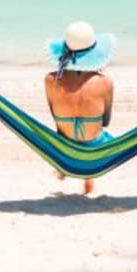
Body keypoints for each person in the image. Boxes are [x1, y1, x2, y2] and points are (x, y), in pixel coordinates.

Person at [44, 20, 115, 196]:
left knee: (64, 123)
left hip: (63, 146)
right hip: (94, 149)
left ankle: (63, 167)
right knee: (100, 134)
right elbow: (106, 121)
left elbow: (54, 115)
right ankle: (88, 175)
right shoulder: (105, 83)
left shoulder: (50, 81)